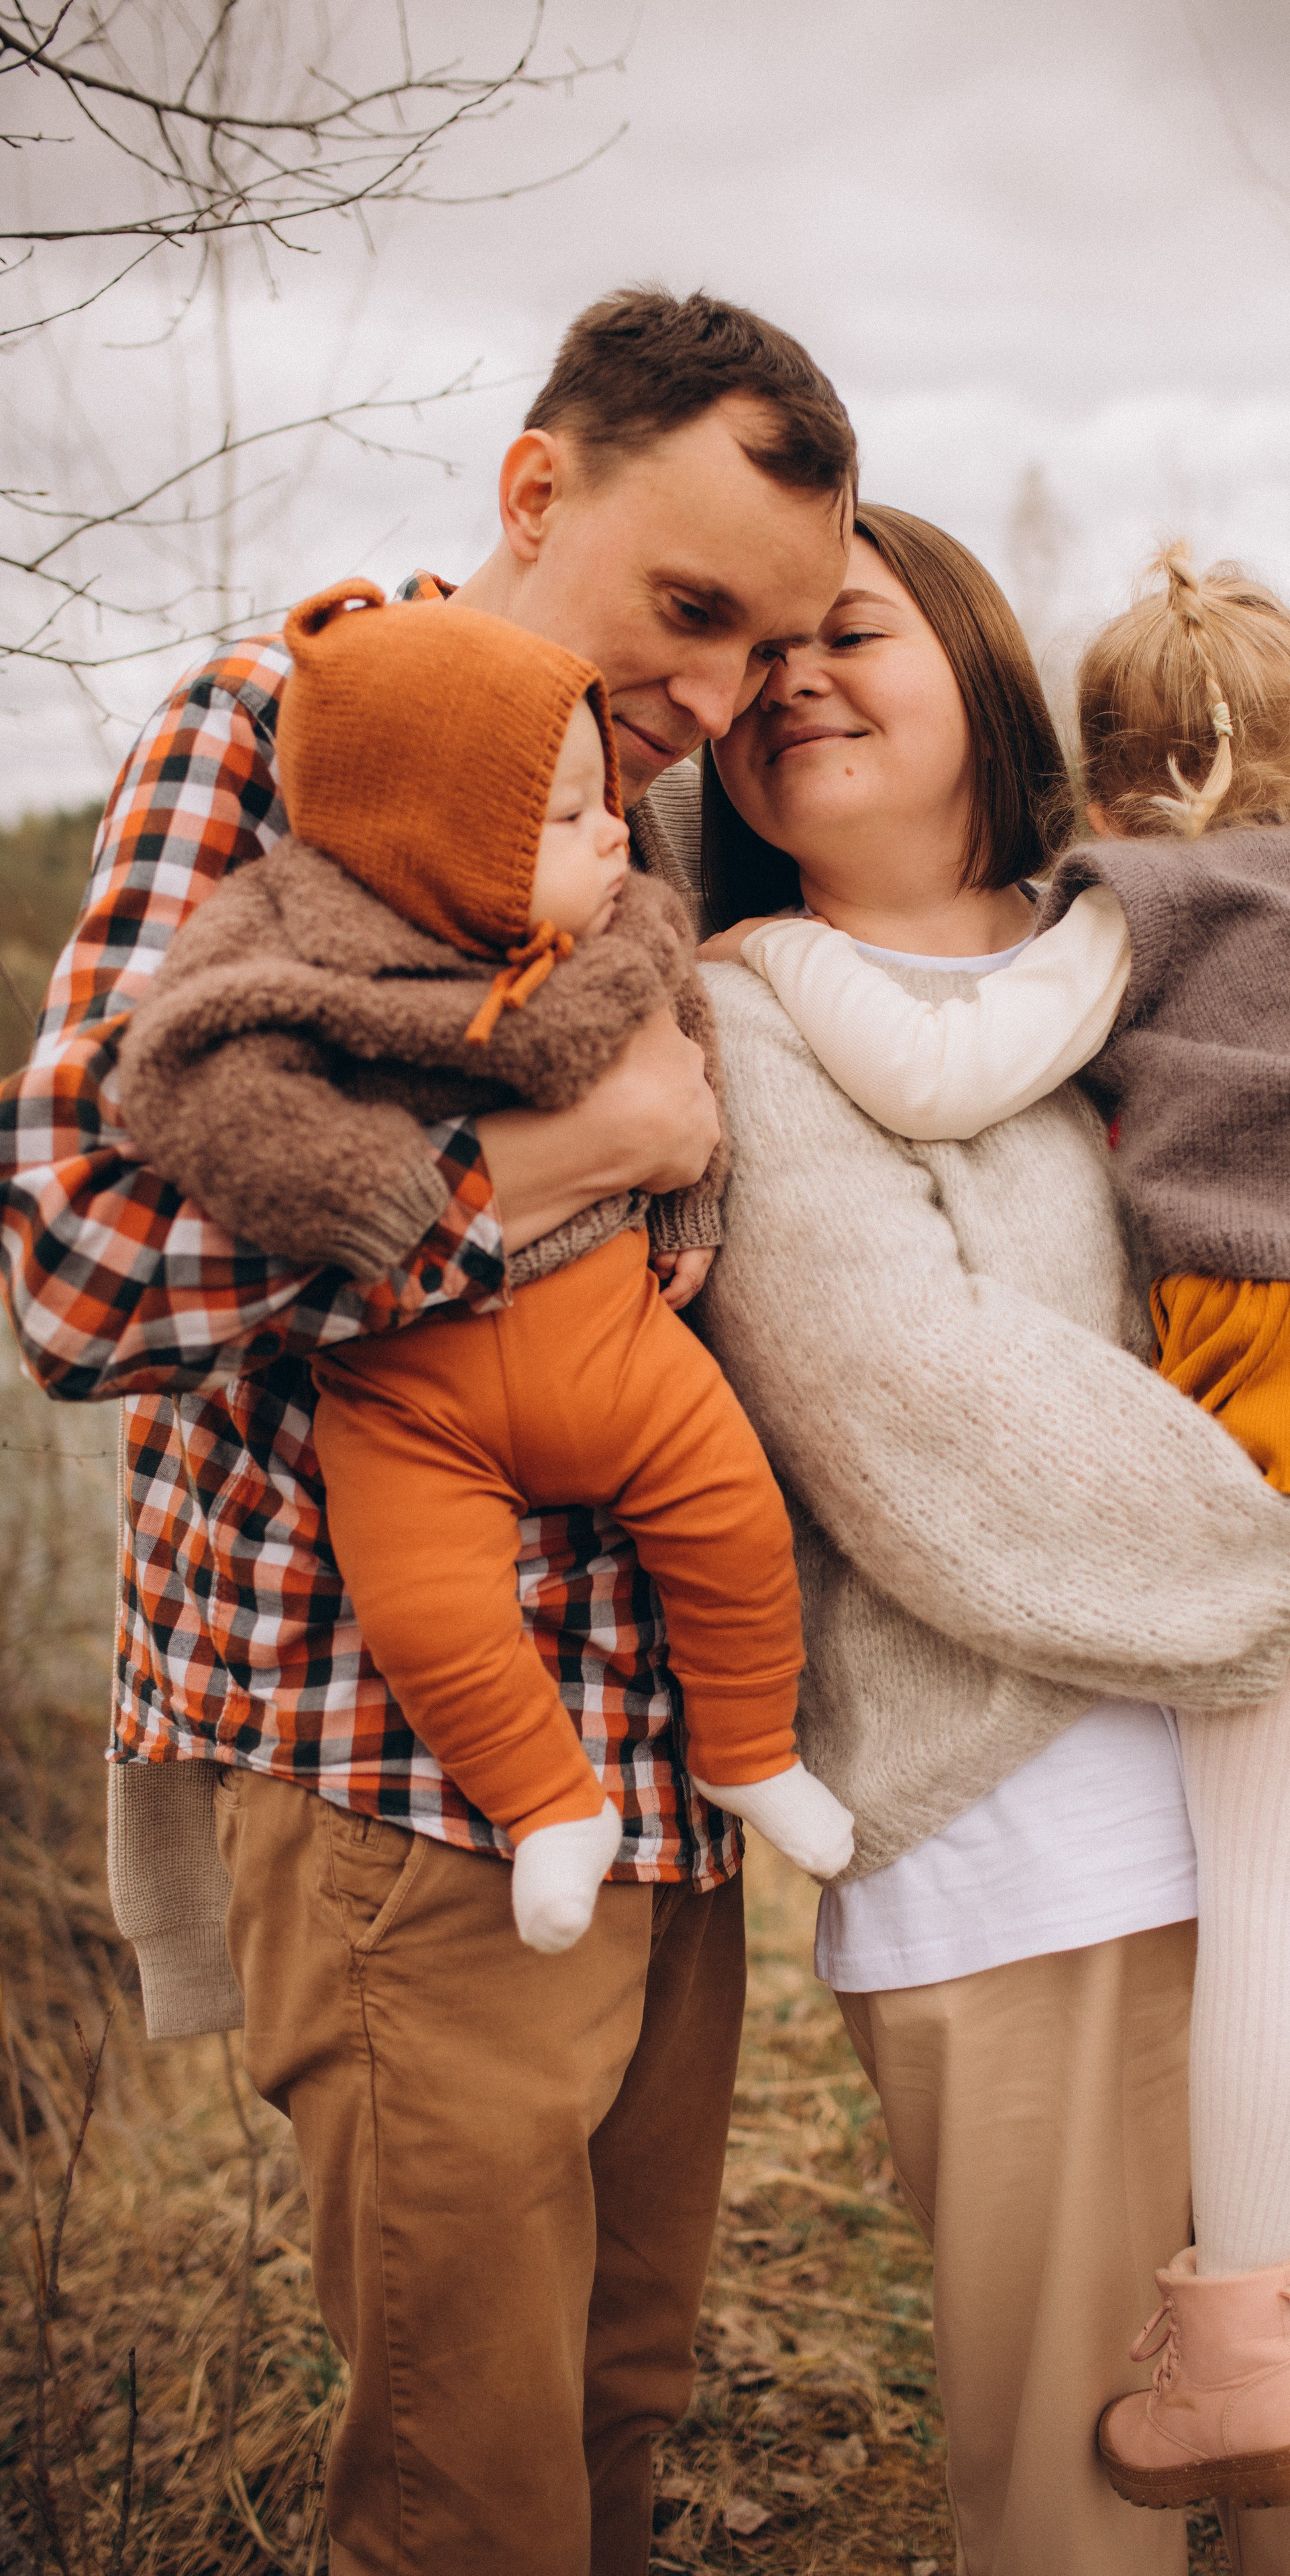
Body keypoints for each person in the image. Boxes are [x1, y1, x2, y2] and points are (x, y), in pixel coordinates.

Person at [692, 502, 1290, 2575]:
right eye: (747, 664)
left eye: (842, 630)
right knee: (1071, 2507)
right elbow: (927, 1427)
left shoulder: (1212, 928)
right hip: (1027, 1866)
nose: (794, 683)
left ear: (978, 665)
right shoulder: (756, 1014)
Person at [0, 288, 856, 2576]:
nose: (710, 698)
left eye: (764, 649)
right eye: (690, 610)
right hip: (393, 1774)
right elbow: (78, 1269)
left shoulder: (659, 845)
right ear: (535, 487)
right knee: (465, 2487)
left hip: (658, 1783)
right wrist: (523, 1189)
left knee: (618, 2406)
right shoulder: (279, 727)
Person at [117, 578, 855, 1951]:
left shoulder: (620, 921)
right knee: (427, 1606)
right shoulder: (317, 948)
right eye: (569, 817)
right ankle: (543, 1811)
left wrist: (690, 1205)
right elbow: (196, 1085)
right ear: (442, 843)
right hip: (407, 1393)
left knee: (732, 1517)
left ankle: (746, 1744)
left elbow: (683, 1029)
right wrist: (392, 1196)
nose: (613, 837)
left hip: (614, 1348)